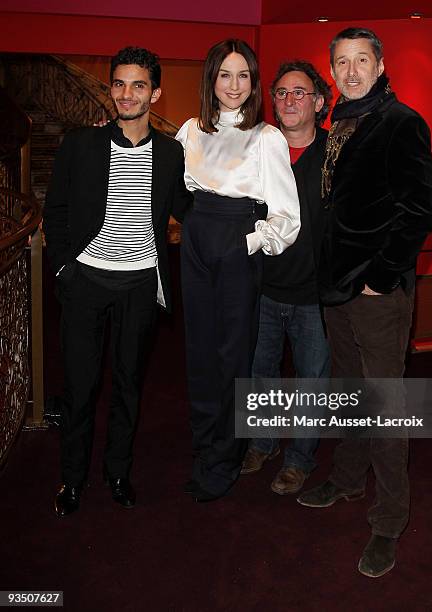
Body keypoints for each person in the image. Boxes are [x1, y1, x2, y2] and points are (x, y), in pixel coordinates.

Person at [297, 28, 432, 577]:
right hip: (337, 289)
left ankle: (389, 520)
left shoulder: (401, 123)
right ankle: (349, 479)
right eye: (341, 62)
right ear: (331, 70)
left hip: (377, 293)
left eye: (361, 60)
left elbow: (418, 211)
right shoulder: (339, 123)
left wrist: (381, 276)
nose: (350, 71)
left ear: (380, 65)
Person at [43, 46, 190, 517]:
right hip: (85, 282)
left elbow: (189, 210)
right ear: (111, 89)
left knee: (129, 385)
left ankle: (119, 472)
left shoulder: (171, 154)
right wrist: (65, 268)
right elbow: (57, 211)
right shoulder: (80, 144)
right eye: (120, 84)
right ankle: (71, 479)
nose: (127, 94)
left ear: (156, 93)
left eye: (138, 85)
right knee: (80, 386)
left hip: (140, 286)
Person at [175, 39, 300, 503]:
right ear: (211, 79)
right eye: (225, 74)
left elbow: (288, 215)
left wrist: (246, 241)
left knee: (233, 357)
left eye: (243, 75)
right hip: (196, 242)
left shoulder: (266, 137)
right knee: (198, 353)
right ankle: (205, 446)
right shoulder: (191, 130)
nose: (233, 85)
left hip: (237, 246)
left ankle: (225, 458)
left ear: (254, 83)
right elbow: (173, 189)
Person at [240, 61, 332, 495]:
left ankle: (300, 460)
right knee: (260, 374)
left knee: (312, 383)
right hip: (261, 288)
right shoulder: (255, 153)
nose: (289, 100)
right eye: (280, 92)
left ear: (318, 102)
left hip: (316, 296)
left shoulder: (337, 156)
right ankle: (262, 442)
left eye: (300, 92)